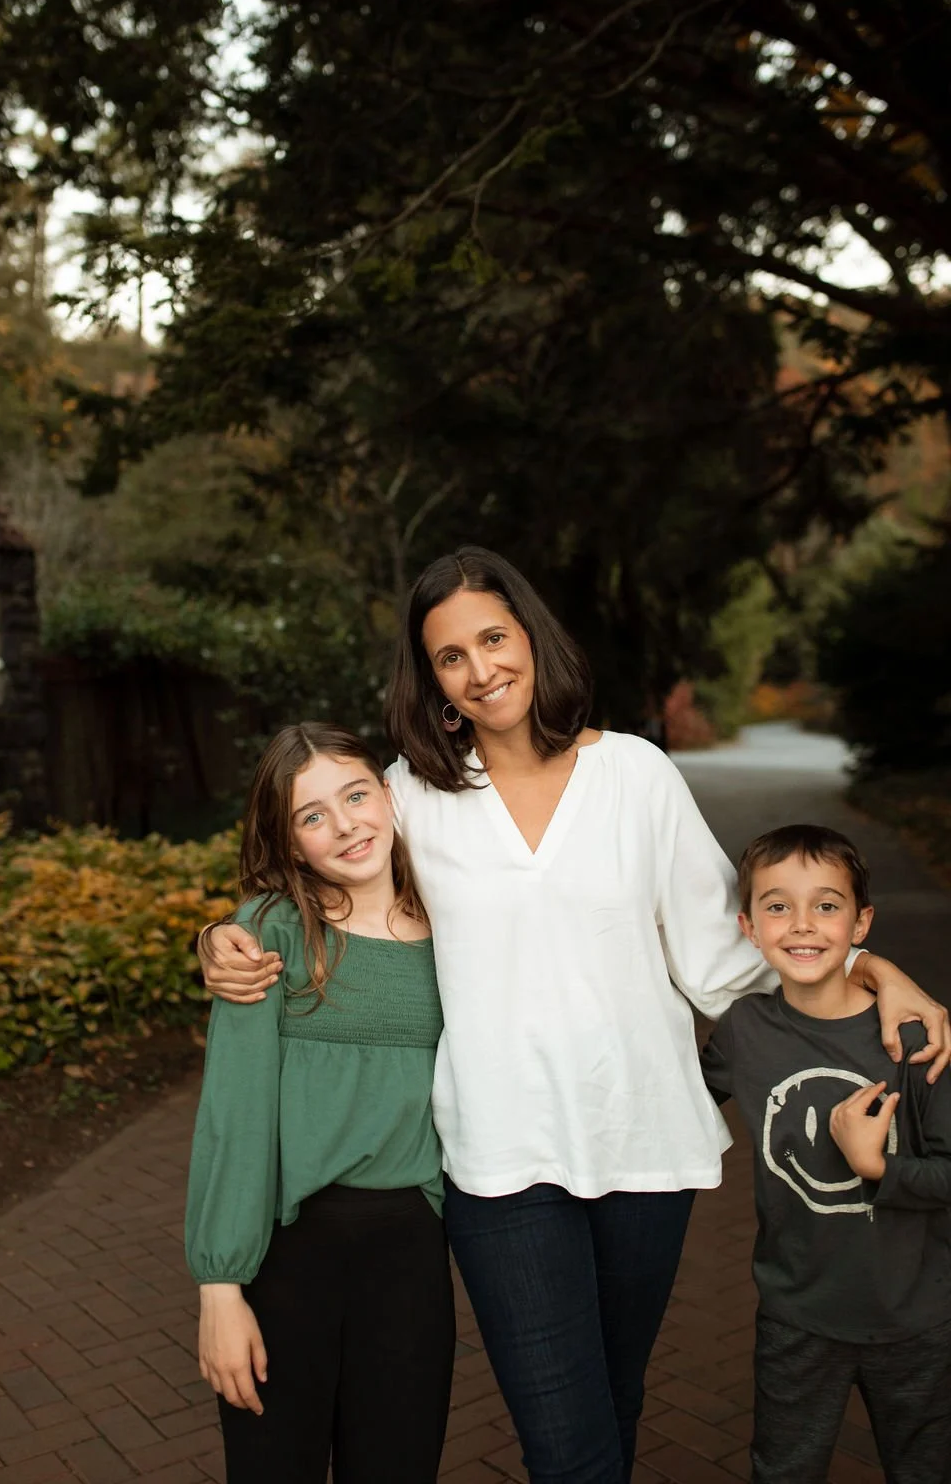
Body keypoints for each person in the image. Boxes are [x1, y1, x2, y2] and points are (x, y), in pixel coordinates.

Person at [199, 546, 951, 1484]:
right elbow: (323, 879)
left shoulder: (636, 774)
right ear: (432, 680)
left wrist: (874, 967)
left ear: (531, 635)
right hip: (500, 1161)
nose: (480, 670)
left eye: (493, 638)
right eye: (450, 657)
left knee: (612, 1404)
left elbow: (731, 956)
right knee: (568, 1449)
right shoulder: (413, 796)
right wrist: (222, 936)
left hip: (643, 1148)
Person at [185, 722, 455, 1484]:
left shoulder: (456, 928)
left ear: (389, 795)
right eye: (312, 815)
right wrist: (219, 1288)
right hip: (288, 1253)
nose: (344, 825)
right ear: (290, 842)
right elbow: (234, 1116)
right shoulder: (268, 934)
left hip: (410, 1253)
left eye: (356, 795)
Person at [701, 825, 951, 1484]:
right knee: (785, 1470)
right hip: (798, 1315)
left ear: (860, 922)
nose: (802, 925)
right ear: (749, 928)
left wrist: (878, 1168)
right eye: (778, 906)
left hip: (915, 1317)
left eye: (827, 905)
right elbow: (675, 1102)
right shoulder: (744, 1032)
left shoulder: (914, 1039)